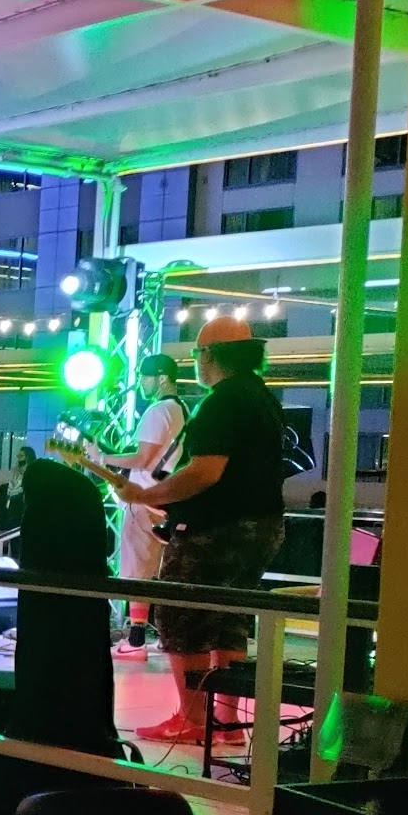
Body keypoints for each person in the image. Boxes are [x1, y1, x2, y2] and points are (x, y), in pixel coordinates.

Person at [77, 317, 287, 743]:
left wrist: (147, 495)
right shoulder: (263, 398)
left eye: (196, 353)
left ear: (209, 355)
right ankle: (226, 724)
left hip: (216, 529)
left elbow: (205, 472)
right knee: (229, 620)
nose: (195, 360)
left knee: (181, 619)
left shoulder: (222, 402)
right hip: (263, 526)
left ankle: (192, 720)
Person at [86, 353, 188, 651]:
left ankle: (136, 638)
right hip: (167, 499)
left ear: (162, 378)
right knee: (162, 571)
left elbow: (142, 459)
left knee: (136, 571)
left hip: (143, 498)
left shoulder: (158, 411)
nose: (141, 383)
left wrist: (102, 458)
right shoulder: (182, 410)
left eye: (145, 376)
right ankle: (166, 636)